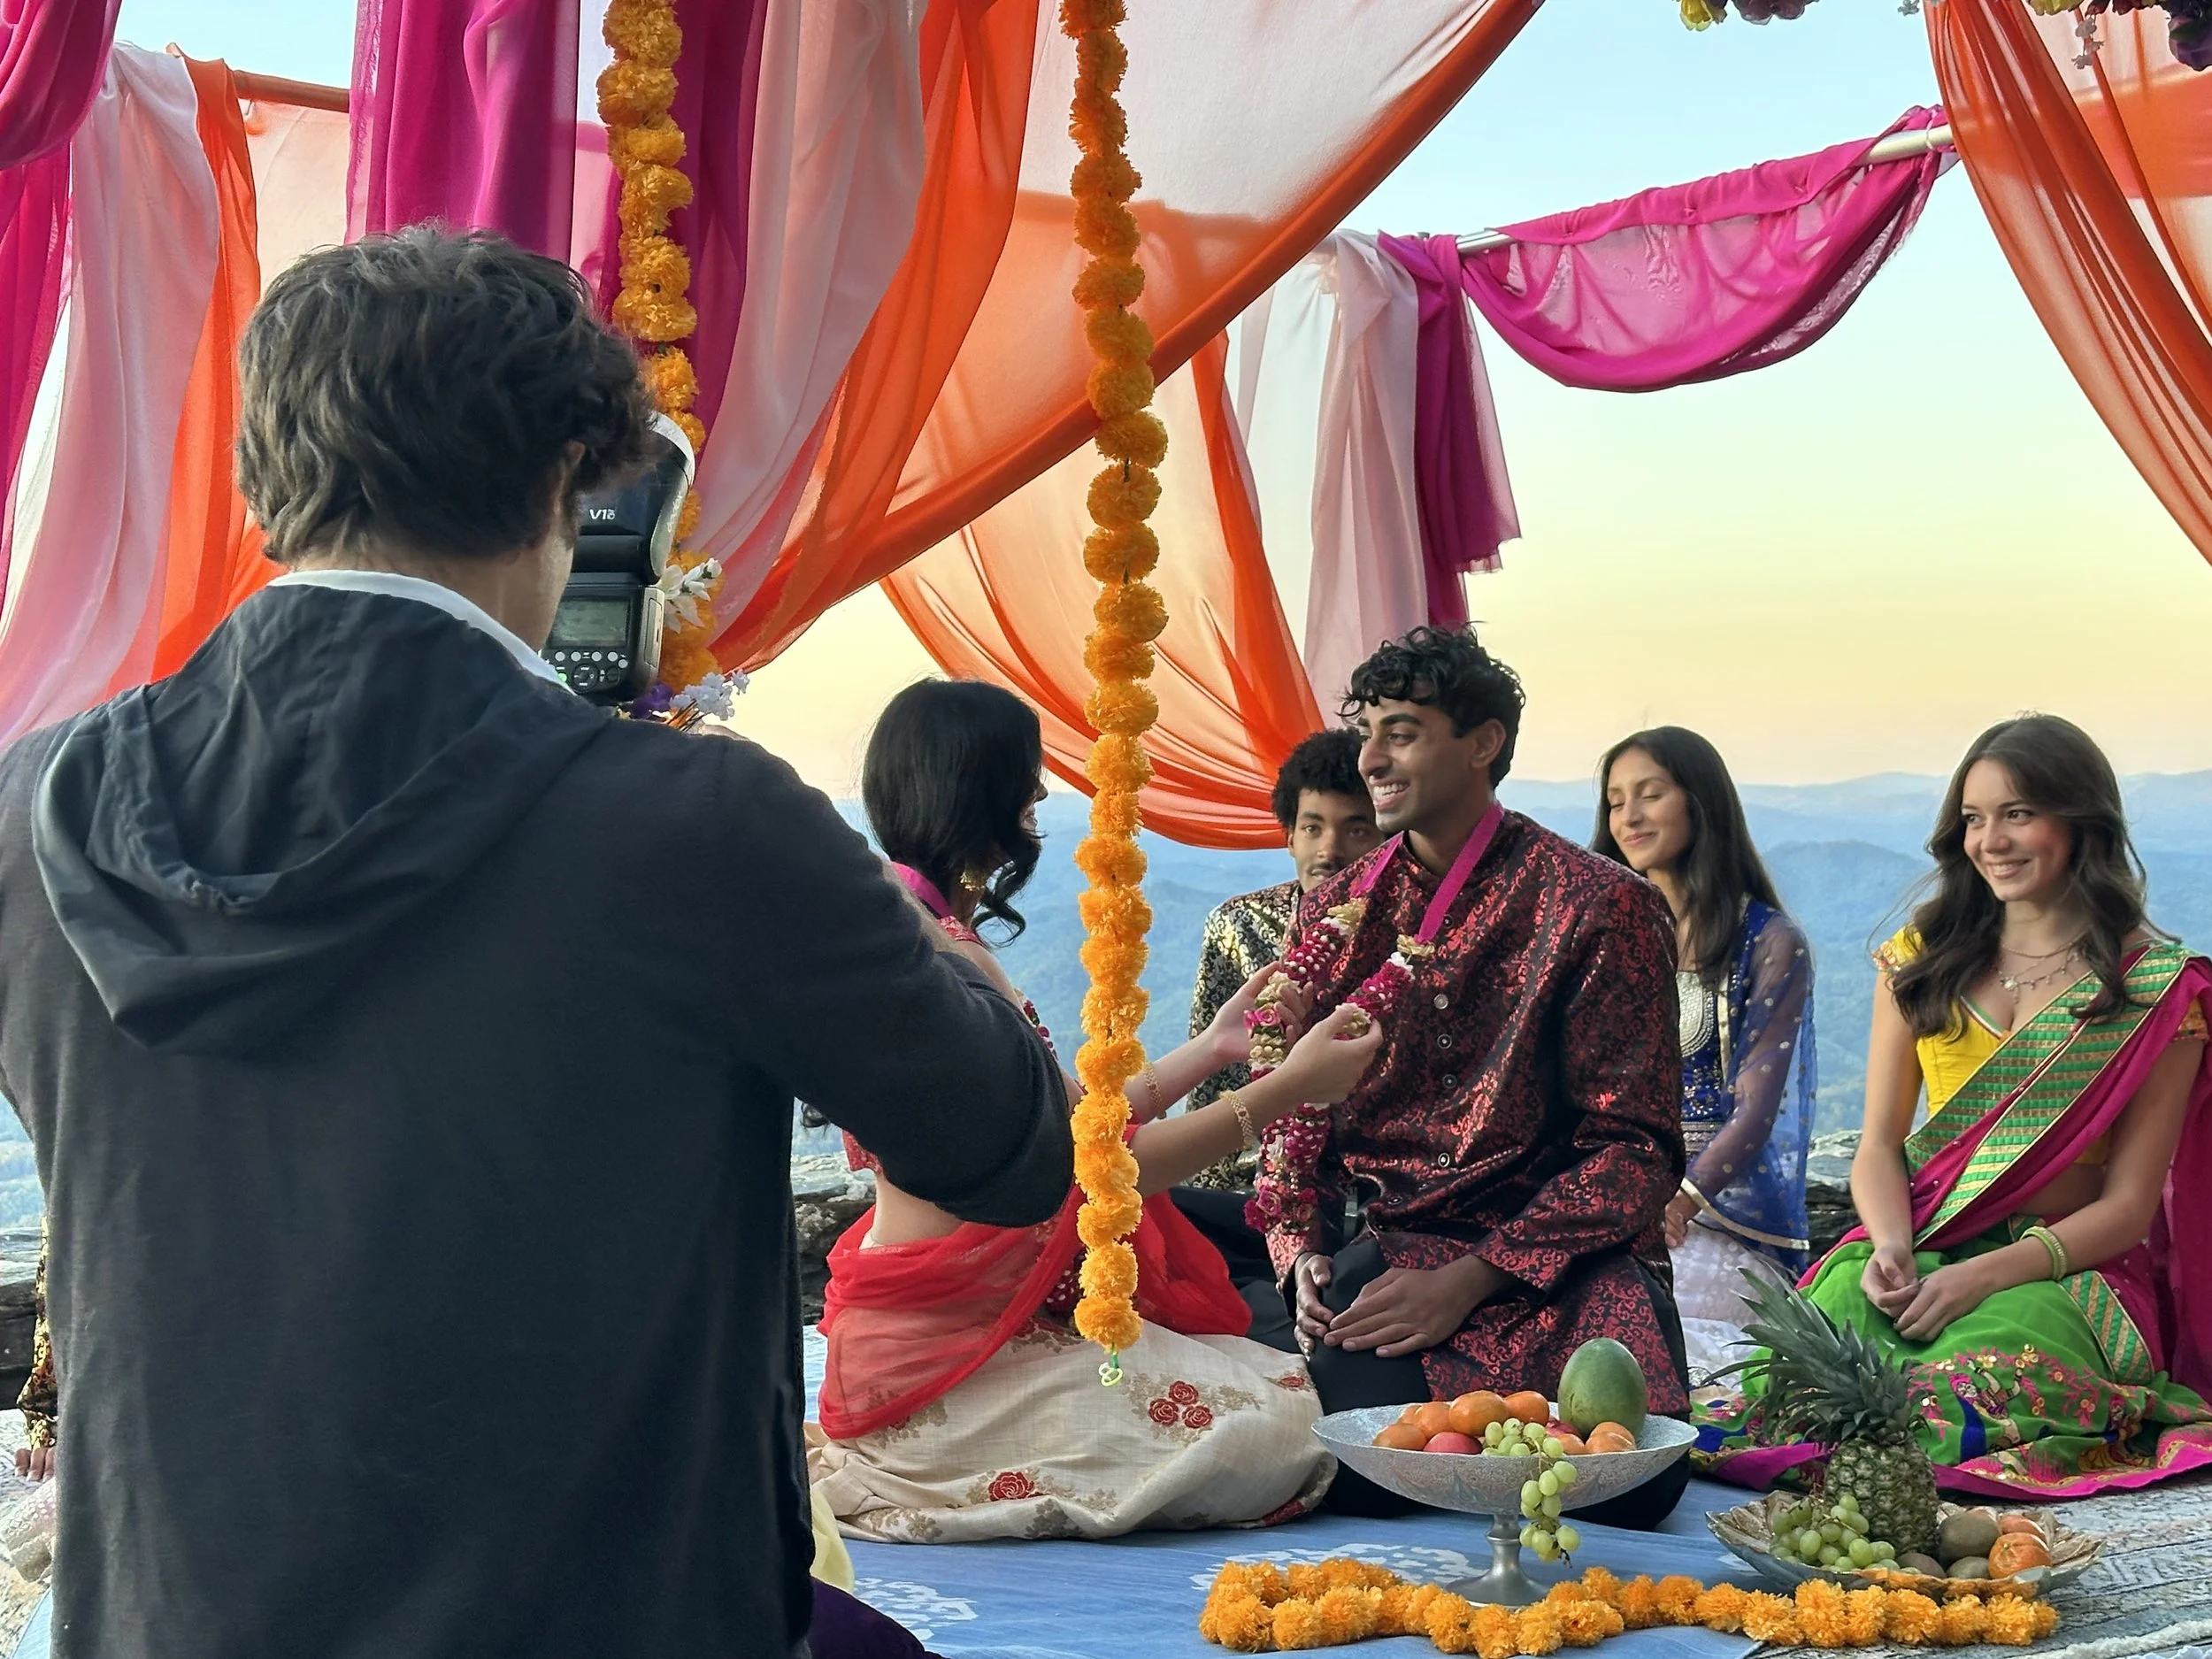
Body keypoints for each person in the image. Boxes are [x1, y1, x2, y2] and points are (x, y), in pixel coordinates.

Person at [0, 230, 1072, 1659]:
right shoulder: (699, 824)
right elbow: (1005, 1144)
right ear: (571, 483)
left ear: (263, 486)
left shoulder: (34, 807)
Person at [810, 680, 1383, 1541]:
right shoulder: (938, 968)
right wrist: (1285, 1090)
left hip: (964, 1322)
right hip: (948, 1351)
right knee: (1283, 1432)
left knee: (1272, 1385)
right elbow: (1095, 1169)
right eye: (1028, 778)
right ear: (981, 790)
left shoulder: (930, 937)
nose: (1042, 797)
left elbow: (1072, 1119)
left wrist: (1216, 1051)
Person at [1701, 716, 2212, 1500]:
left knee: (1968, 1391)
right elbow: (1879, 1146)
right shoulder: (1920, 962)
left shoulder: (2154, 992)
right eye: (1974, 819)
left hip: (2063, 1271)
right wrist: (1890, 1247)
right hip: (1922, 1247)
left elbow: (2130, 1208)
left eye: (2018, 814)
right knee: (1806, 1369)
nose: (1991, 840)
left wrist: (1983, 1279)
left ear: (2081, 821)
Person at [1267, 626, 1693, 1526]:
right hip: (1393, 1249)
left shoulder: (1599, 905)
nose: (1371, 759)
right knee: (1358, 1472)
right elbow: (1296, 1104)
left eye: (1403, 732)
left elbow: (1635, 1152)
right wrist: (1298, 1248)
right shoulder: (1337, 909)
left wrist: (1471, 1278)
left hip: (1562, 1258)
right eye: (1367, 732)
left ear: (1483, 743)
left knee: (1629, 1487)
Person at [1593, 729, 1814, 1382]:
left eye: (1649, 794)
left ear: (1700, 803)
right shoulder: (1603, 934)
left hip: (1715, 1215)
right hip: (1609, 1199)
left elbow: (1754, 1108)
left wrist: (1679, 1201)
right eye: (1614, 801)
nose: (1628, 816)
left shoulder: (1770, 943)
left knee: (1659, 1339)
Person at [1182, 729, 1378, 1190]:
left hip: (1378, 1191)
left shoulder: (1414, 940)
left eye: (1356, 829)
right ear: (1289, 837)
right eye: (1313, 828)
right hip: (1254, 1186)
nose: (1330, 851)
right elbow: (1212, 1076)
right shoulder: (1238, 925)